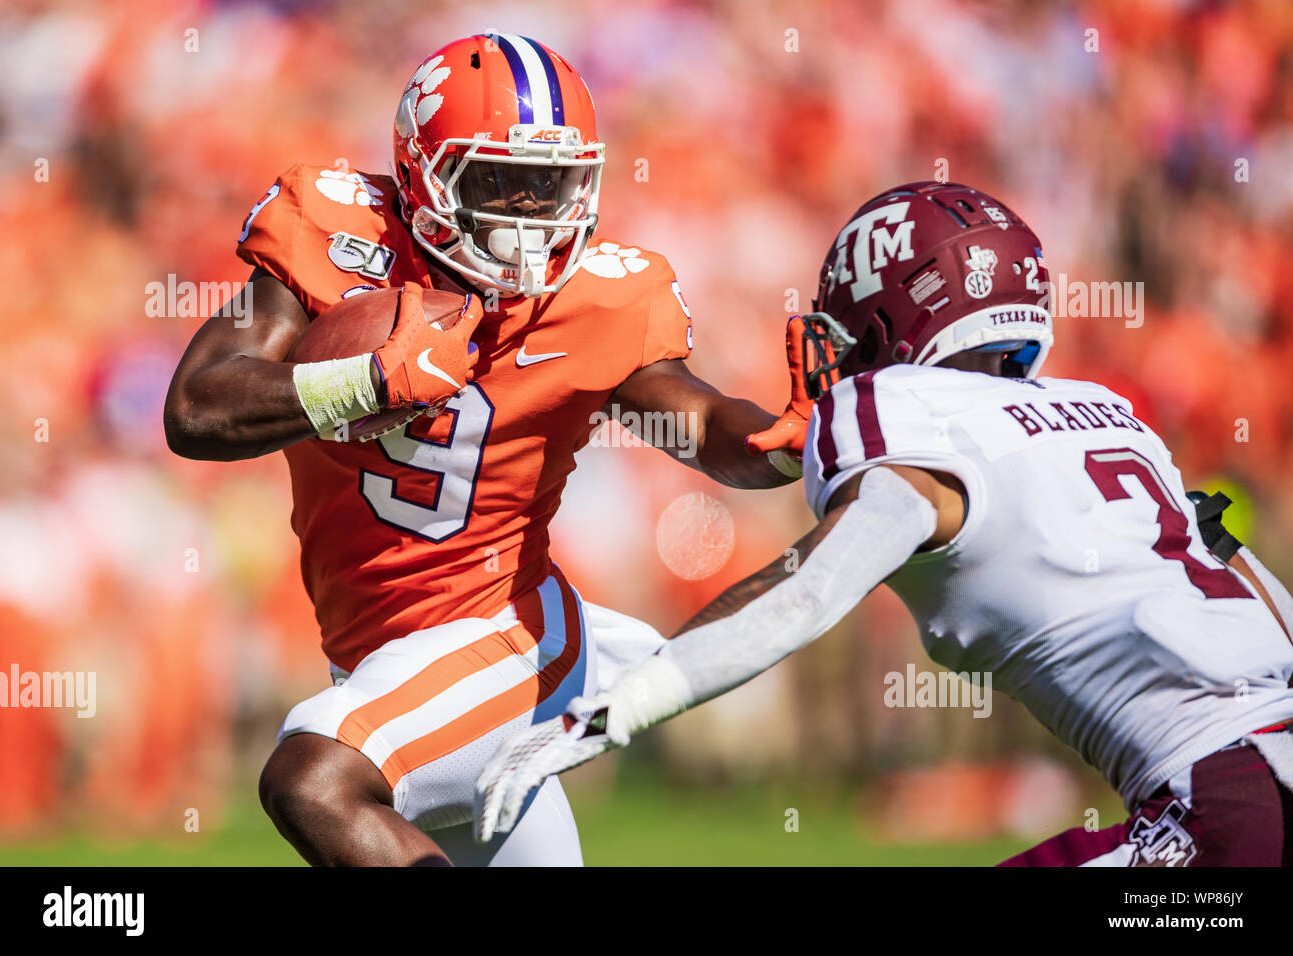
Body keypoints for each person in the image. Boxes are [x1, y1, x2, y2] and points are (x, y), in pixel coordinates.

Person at [474, 181, 1293, 866]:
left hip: (1222, 810)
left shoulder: (900, 410)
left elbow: (804, 593)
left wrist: (617, 706)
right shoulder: (1106, 415)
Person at [164, 33, 799, 866]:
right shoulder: (336, 233)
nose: (533, 213)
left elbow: (701, 423)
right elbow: (195, 409)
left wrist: (790, 442)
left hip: (510, 634)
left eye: (555, 184)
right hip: (384, 659)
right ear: (424, 173)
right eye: (504, 181)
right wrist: (365, 383)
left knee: (312, 781)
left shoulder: (595, 301)